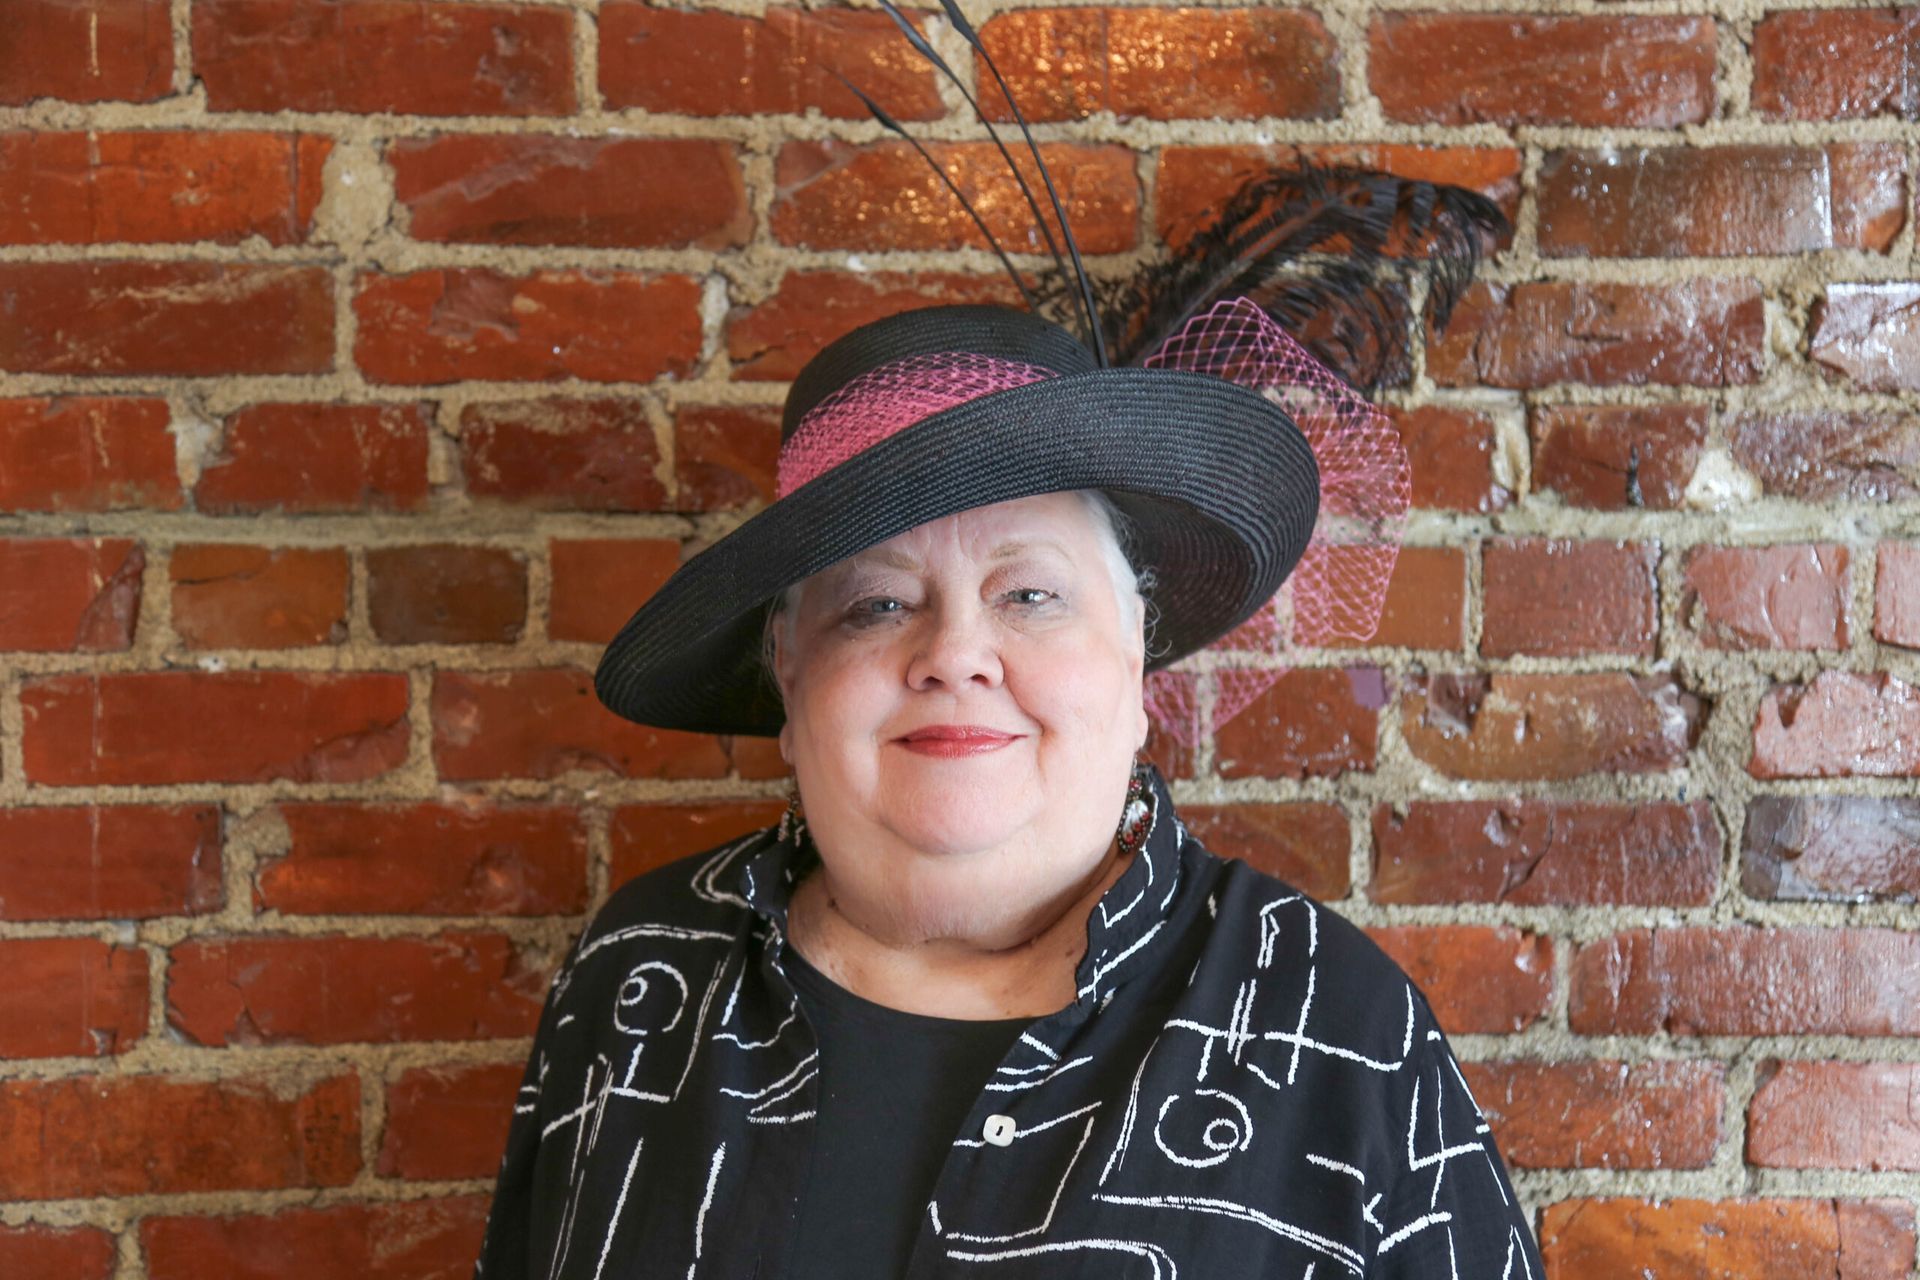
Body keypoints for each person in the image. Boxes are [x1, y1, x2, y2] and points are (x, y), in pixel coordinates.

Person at [474, 284, 1545, 1278]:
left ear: (1135, 671)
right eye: (876, 603)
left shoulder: (1340, 1024)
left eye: (1029, 593)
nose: (955, 653)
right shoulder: (640, 975)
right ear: (790, 685)